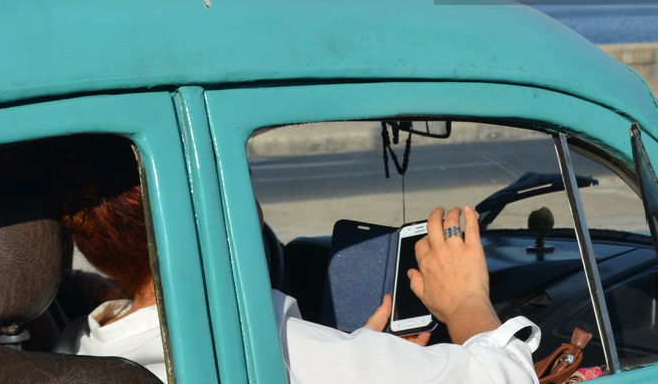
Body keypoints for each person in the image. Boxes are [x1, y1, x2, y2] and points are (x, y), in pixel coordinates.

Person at [52, 137, 540, 384]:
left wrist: (359, 350)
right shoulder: (262, 341)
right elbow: (506, 378)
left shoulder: (70, 350)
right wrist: (465, 302)